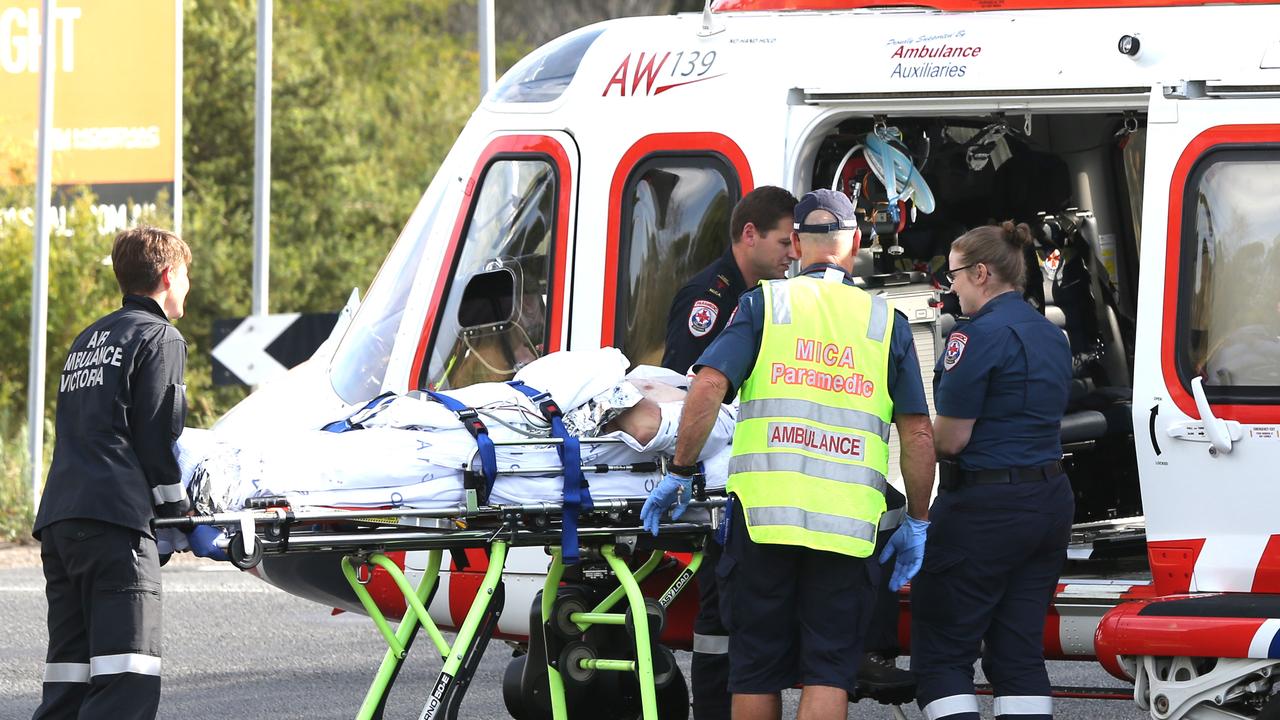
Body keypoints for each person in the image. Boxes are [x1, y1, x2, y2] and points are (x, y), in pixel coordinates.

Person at [644, 189, 936, 720]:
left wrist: (680, 470)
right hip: (846, 529)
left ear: (798, 243)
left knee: (754, 666)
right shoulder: (884, 321)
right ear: (855, 245)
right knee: (829, 672)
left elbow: (708, 387)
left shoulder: (764, 305)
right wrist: (918, 519)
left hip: (762, 523)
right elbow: (916, 433)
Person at [910, 222, 1074, 720]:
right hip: (1048, 503)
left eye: (954, 274)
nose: (950, 285)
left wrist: (910, 438)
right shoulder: (1053, 334)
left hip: (983, 511)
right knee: (1017, 653)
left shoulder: (973, 338)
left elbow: (952, 439)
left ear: (981, 273)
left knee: (941, 656)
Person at [31, 226, 194, 720]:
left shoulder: (89, 339)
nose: (187, 286)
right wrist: (177, 512)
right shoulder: (159, 336)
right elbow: (155, 433)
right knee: (127, 681)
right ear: (167, 276)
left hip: (62, 520)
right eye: (186, 276)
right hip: (115, 524)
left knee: (69, 681)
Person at [661, 185, 798, 720]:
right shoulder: (710, 299)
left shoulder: (761, 299)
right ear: (749, 235)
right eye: (784, 241)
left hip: (747, 474)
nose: (792, 253)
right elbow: (682, 389)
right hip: (715, 479)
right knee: (720, 615)